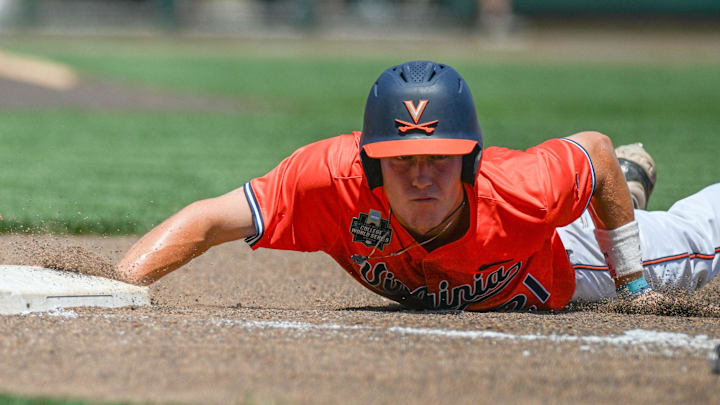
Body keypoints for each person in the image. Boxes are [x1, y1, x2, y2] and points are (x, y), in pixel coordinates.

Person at [116, 61, 720, 311]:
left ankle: (620, 206)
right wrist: (118, 289)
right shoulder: (326, 181)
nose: (423, 174)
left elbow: (594, 150)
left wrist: (634, 283)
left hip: (564, 256)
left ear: (471, 161)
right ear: (371, 164)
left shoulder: (518, 187)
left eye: (440, 158)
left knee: (702, 243)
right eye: (402, 161)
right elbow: (208, 220)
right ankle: (625, 196)